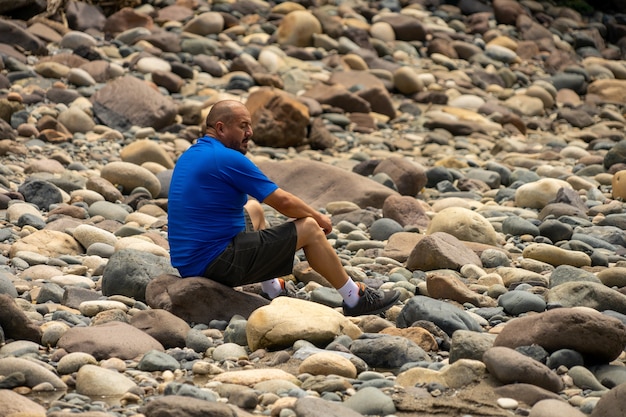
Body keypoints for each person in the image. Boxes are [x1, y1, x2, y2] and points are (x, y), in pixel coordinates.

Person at [167, 99, 400, 316]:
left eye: (249, 125)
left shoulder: (195, 153)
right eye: (243, 126)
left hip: (191, 260)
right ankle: (354, 298)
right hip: (214, 262)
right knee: (308, 228)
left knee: (254, 209)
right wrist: (318, 217)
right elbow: (283, 202)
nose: (250, 132)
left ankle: (273, 289)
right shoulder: (226, 158)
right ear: (221, 128)